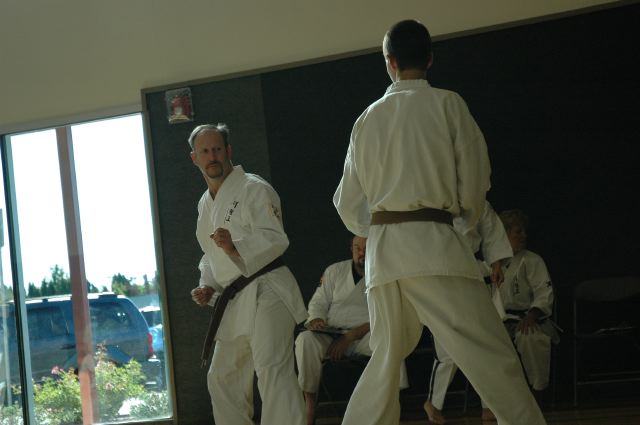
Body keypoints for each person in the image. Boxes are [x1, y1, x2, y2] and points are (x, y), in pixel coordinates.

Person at [333, 20, 547, 425]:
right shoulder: (449, 105)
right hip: (434, 246)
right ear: (430, 59)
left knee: (386, 359)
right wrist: (462, 224)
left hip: (384, 257)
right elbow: (475, 184)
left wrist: (375, 227)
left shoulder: (367, 119)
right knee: (489, 350)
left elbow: (347, 202)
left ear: (389, 62)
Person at [188, 123, 307, 425]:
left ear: (228, 151)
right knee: (221, 377)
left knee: (272, 370)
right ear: (195, 158)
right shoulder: (204, 205)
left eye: (217, 149)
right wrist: (207, 285)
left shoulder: (253, 188)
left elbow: (275, 238)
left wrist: (235, 246)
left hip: (268, 289)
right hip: (235, 298)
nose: (212, 156)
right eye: (205, 151)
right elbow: (209, 255)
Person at [424, 200, 513, 424]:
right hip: (440, 273)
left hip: (473, 272)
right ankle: (434, 403)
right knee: (447, 347)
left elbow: (491, 229)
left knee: (485, 343)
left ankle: (488, 405)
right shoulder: (430, 197)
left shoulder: (475, 198)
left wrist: (496, 263)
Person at [295, 235, 372, 425]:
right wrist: (317, 319)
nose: (361, 252)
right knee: (305, 340)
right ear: (351, 249)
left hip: (365, 335)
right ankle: (310, 403)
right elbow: (319, 301)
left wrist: (350, 337)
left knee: (387, 340)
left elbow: (387, 314)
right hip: (332, 334)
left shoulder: (383, 273)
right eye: (357, 248)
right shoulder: (335, 271)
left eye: (366, 247)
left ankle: (383, 402)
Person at [496, 209, 557, 407]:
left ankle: (537, 393)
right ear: (504, 235)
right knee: (487, 344)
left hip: (529, 318)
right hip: (499, 321)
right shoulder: (493, 263)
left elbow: (543, 292)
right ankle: (497, 401)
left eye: (524, 231)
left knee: (530, 337)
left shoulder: (532, 260)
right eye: (518, 232)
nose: (524, 236)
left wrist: (532, 315)